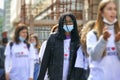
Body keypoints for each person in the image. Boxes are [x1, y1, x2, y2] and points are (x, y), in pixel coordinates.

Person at [38, 13, 80, 80]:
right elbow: (45, 60)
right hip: (55, 77)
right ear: (61, 24)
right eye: (65, 22)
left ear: (74, 23)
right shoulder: (53, 38)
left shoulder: (77, 40)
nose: (68, 24)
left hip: (71, 77)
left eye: (70, 22)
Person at [86, 0, 120, 80]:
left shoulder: (118, 33)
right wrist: (103, 40)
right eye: (109, 9)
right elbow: (94, 57)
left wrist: (118, 42)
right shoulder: (93, 34)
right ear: (101, 13)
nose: (113, 12)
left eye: (115, 9)